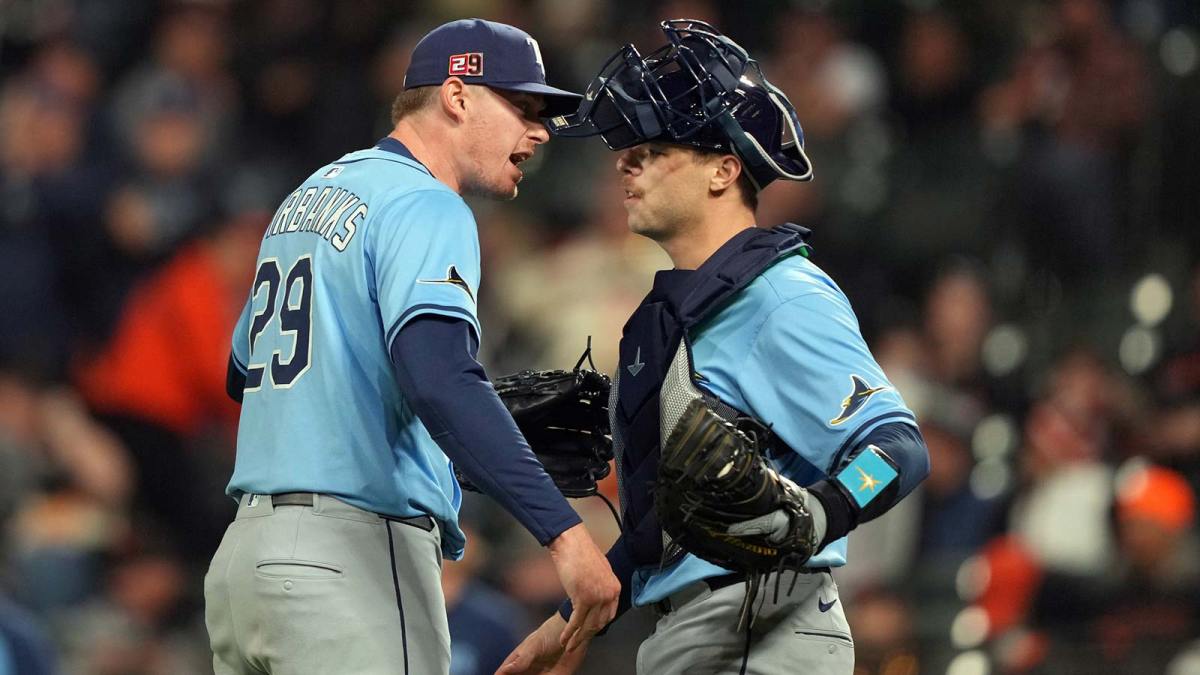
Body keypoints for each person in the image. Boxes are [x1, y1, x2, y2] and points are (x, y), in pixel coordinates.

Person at [500, 20, 930, 674]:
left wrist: (824, 509)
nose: (626, 161)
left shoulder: (780, 294)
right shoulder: (674, 319)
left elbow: (897, 449)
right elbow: (656, 538)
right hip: (693, 628)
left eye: (653, 149)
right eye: (626, 150)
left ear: (724, 169)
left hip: (763, 624)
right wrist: (568, 625)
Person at [203, 19, 619, 675]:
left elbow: (244, 371)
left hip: (247, 565)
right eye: (523, 107)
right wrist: (565, 534)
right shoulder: (428, 204)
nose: (540, 131)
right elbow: (437, 375)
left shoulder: (306, 198)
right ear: (457, 96)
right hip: (353, 560)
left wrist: (459, 436)